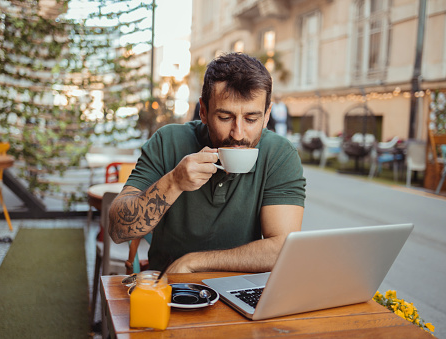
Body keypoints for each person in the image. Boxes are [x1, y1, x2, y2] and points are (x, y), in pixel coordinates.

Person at [109, 52, 306, 274]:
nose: (238, 133)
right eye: (224, 117)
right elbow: (118, 230)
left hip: (240, 289)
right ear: (203, 111)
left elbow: (282, 249)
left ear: (267, 115)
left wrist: (194, 262)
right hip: (170, 289)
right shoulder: (168, 142)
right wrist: (174, 182)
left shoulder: (279, 154)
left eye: (251, 119)